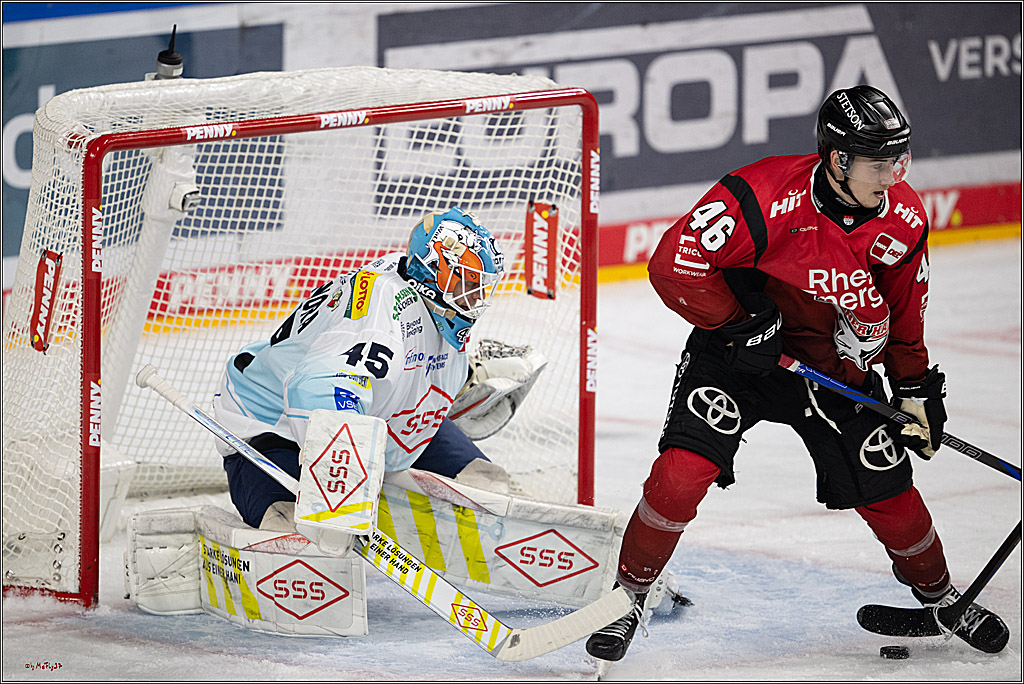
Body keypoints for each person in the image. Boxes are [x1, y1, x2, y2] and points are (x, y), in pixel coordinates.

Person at [586, 85, 1010, 660]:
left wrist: (914, 388)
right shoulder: (761, 197)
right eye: (879, 163)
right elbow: (672, 265)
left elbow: (907, 312)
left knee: (889, 489)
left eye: (898, 161)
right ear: (838, 159)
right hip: (740, 359)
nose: (893, 176)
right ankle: (628, 596)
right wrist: (738, 322)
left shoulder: (903, 221)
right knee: (683, 472)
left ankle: (939, 595)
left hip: (833, 367)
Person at [212, 206, 523, 531]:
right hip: (272, 428)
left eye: (481, 287)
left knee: (487, 486)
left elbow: (409, 376)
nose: (476, 299)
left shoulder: (433, 301)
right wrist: (342, 498)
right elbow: (318, 387)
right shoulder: (382, 318)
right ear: (434, 270)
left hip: (377, 415)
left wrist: (468, 385)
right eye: (469, 284)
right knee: (298, 534)